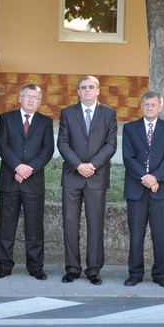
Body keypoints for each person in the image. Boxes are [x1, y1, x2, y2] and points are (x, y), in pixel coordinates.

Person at [57, 75, 117, 286]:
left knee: (95, 224)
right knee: (70, 224)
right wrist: (78, 165)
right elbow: (63, 143)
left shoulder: (109, 113)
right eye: (84, 87)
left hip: (96, 177)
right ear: (78, 91)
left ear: (98, 90)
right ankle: (72, 268)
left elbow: (111, 145)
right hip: (72, 176)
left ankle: (94, 269)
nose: (88, 90)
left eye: (91, 87)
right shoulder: (67, 113)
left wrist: (92, 165)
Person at [0, 84, 54, 280]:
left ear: (39, 101)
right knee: (6, 226)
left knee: (34, 227)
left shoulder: (45, 122)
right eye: (27, 96)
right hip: (9, 180)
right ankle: (4, 266)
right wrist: (17, 167)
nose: (30, 100)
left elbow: (47, 150)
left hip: (33, 181)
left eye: (35, 97)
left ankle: (35, 266)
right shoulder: (6, 118)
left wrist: (29, 169)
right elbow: (2, 146)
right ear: (20, 99)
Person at [122, 91, 164, 288]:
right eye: (146, 104)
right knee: (136, 234)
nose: (150, 107)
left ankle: (160, 274)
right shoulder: (130, 128)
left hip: (160, 190)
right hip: (136, 189)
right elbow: (128, 157)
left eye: (154, 105)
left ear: (160, 107)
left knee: (160, 235)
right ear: (142, 106)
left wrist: (156, 177)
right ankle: (135, 273)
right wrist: (145, 178)